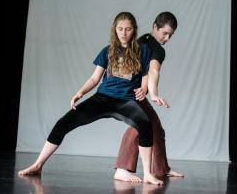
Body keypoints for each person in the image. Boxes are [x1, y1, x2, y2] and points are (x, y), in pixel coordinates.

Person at [18, 11, 163, 185]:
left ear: (134, 30)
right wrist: (80, 92)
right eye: (120, 29)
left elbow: (147, 75)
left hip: (126, 101)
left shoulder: (143, 51)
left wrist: (145, 88)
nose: (124, 33)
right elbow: (95, 78)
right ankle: (38, 164)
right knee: (63, 122)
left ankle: (147, 174)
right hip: (102, 98)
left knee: (145, 123)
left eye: (128, 29)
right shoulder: (108, 51)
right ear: (115, 30)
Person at [114, 12, 184, 182]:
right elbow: (153, 70)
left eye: (170, 35)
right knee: (140, 126)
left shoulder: (140, 41)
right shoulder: (157, 49)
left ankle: (161, 168)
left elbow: (144, 69)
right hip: (132, 93)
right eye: (164, 33)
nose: (166, 38)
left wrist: (145, 87)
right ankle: (122, 169)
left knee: (156, 129)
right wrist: (153, 92)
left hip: (129, 91)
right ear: (155, 27)